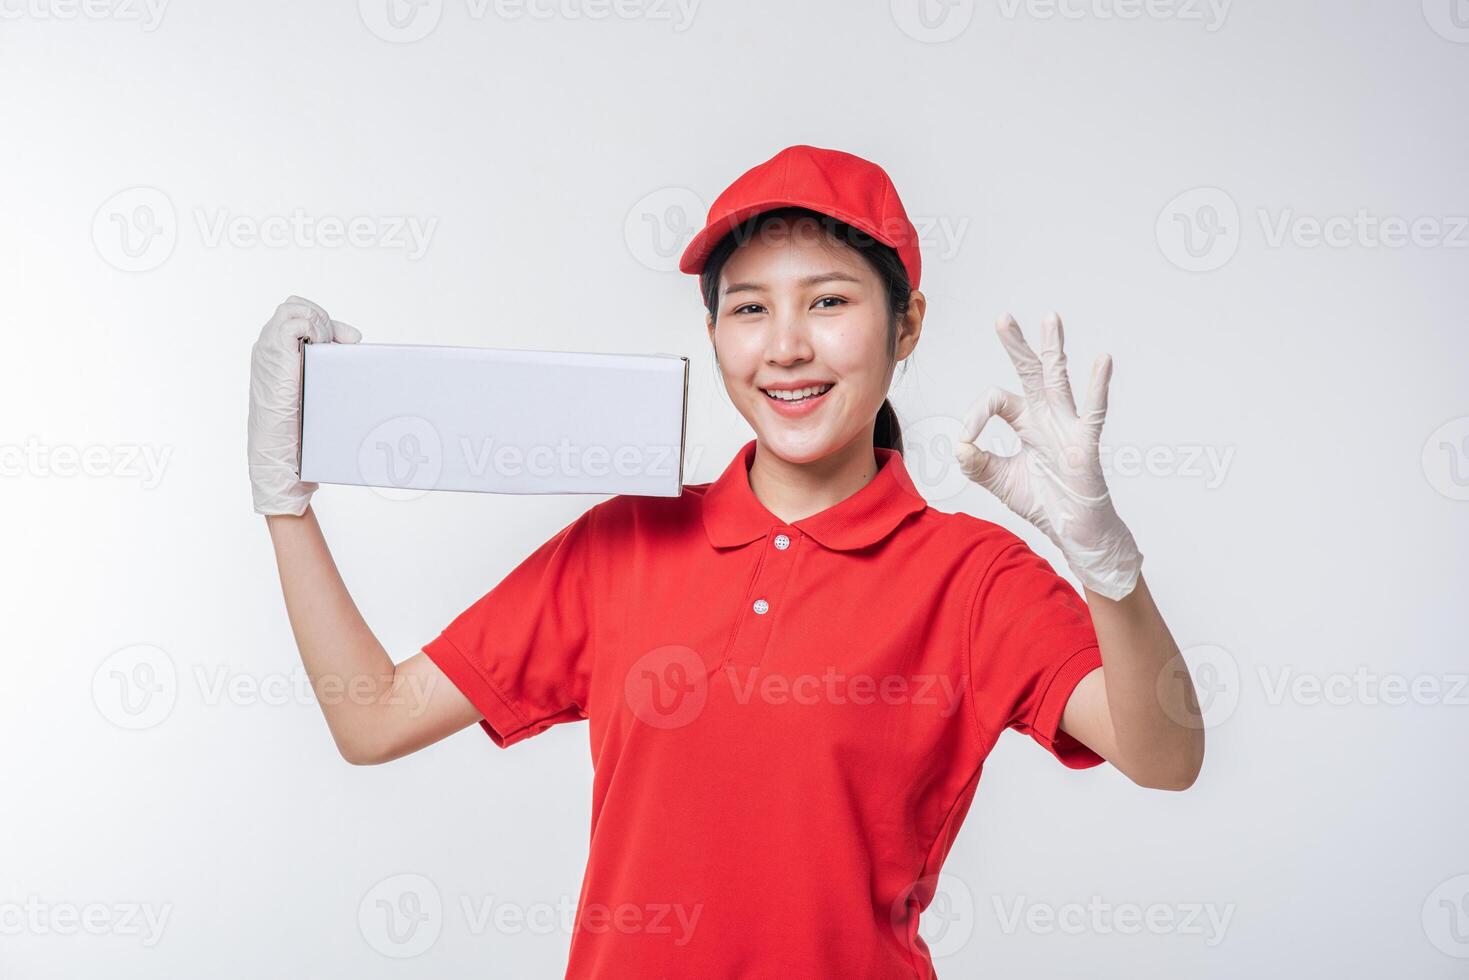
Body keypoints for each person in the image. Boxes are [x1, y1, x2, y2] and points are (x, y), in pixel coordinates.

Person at [247, 144, 1203, 979]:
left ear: (906, 324)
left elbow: (1165, 758)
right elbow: (371, 719)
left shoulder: (972, 578)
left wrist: (1105, 562)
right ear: (713, 336)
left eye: (828, 301)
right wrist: (284, 501)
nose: (786, 347)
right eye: (749, 309)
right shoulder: (626, 542)